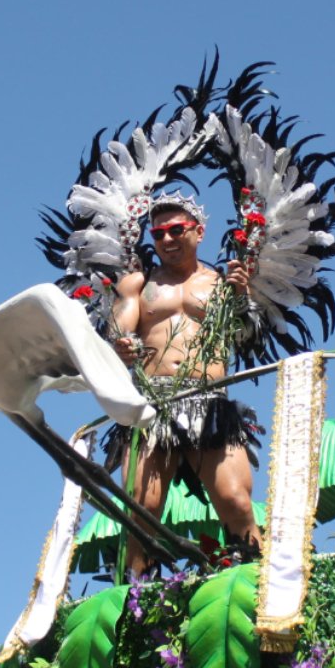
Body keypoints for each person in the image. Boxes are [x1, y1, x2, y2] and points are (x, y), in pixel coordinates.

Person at [109, 194, 263, 576]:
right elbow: (118, 330)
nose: (166, 239)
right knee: (141, 509)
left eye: (176, 230)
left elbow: (247, 337)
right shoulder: (138, 284)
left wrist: (242, 297)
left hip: (209, 403)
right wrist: (122, 345)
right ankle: (141, 601)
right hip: (152, 404)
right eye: (158, 232)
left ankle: (260, 588)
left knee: (236, 501)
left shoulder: (222, 283)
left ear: (199, 232)